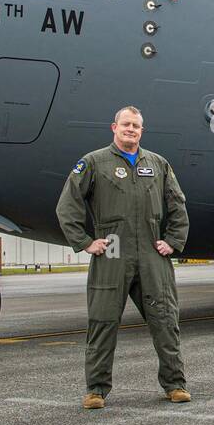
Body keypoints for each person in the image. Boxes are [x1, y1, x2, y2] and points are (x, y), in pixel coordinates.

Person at [55, 106, 190, 409]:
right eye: (126, 124)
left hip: (152, 255)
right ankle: (96, 390)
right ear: (113, 127)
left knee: (166, 320)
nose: (131, 129)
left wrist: (173, 241)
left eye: (137, 126)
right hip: (112, 252)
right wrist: (86, 242)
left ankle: (175, 384)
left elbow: (178, 204)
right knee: (102, 321)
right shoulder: (93, 163)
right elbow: (67, 206)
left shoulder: (158, 164)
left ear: (142, 130)